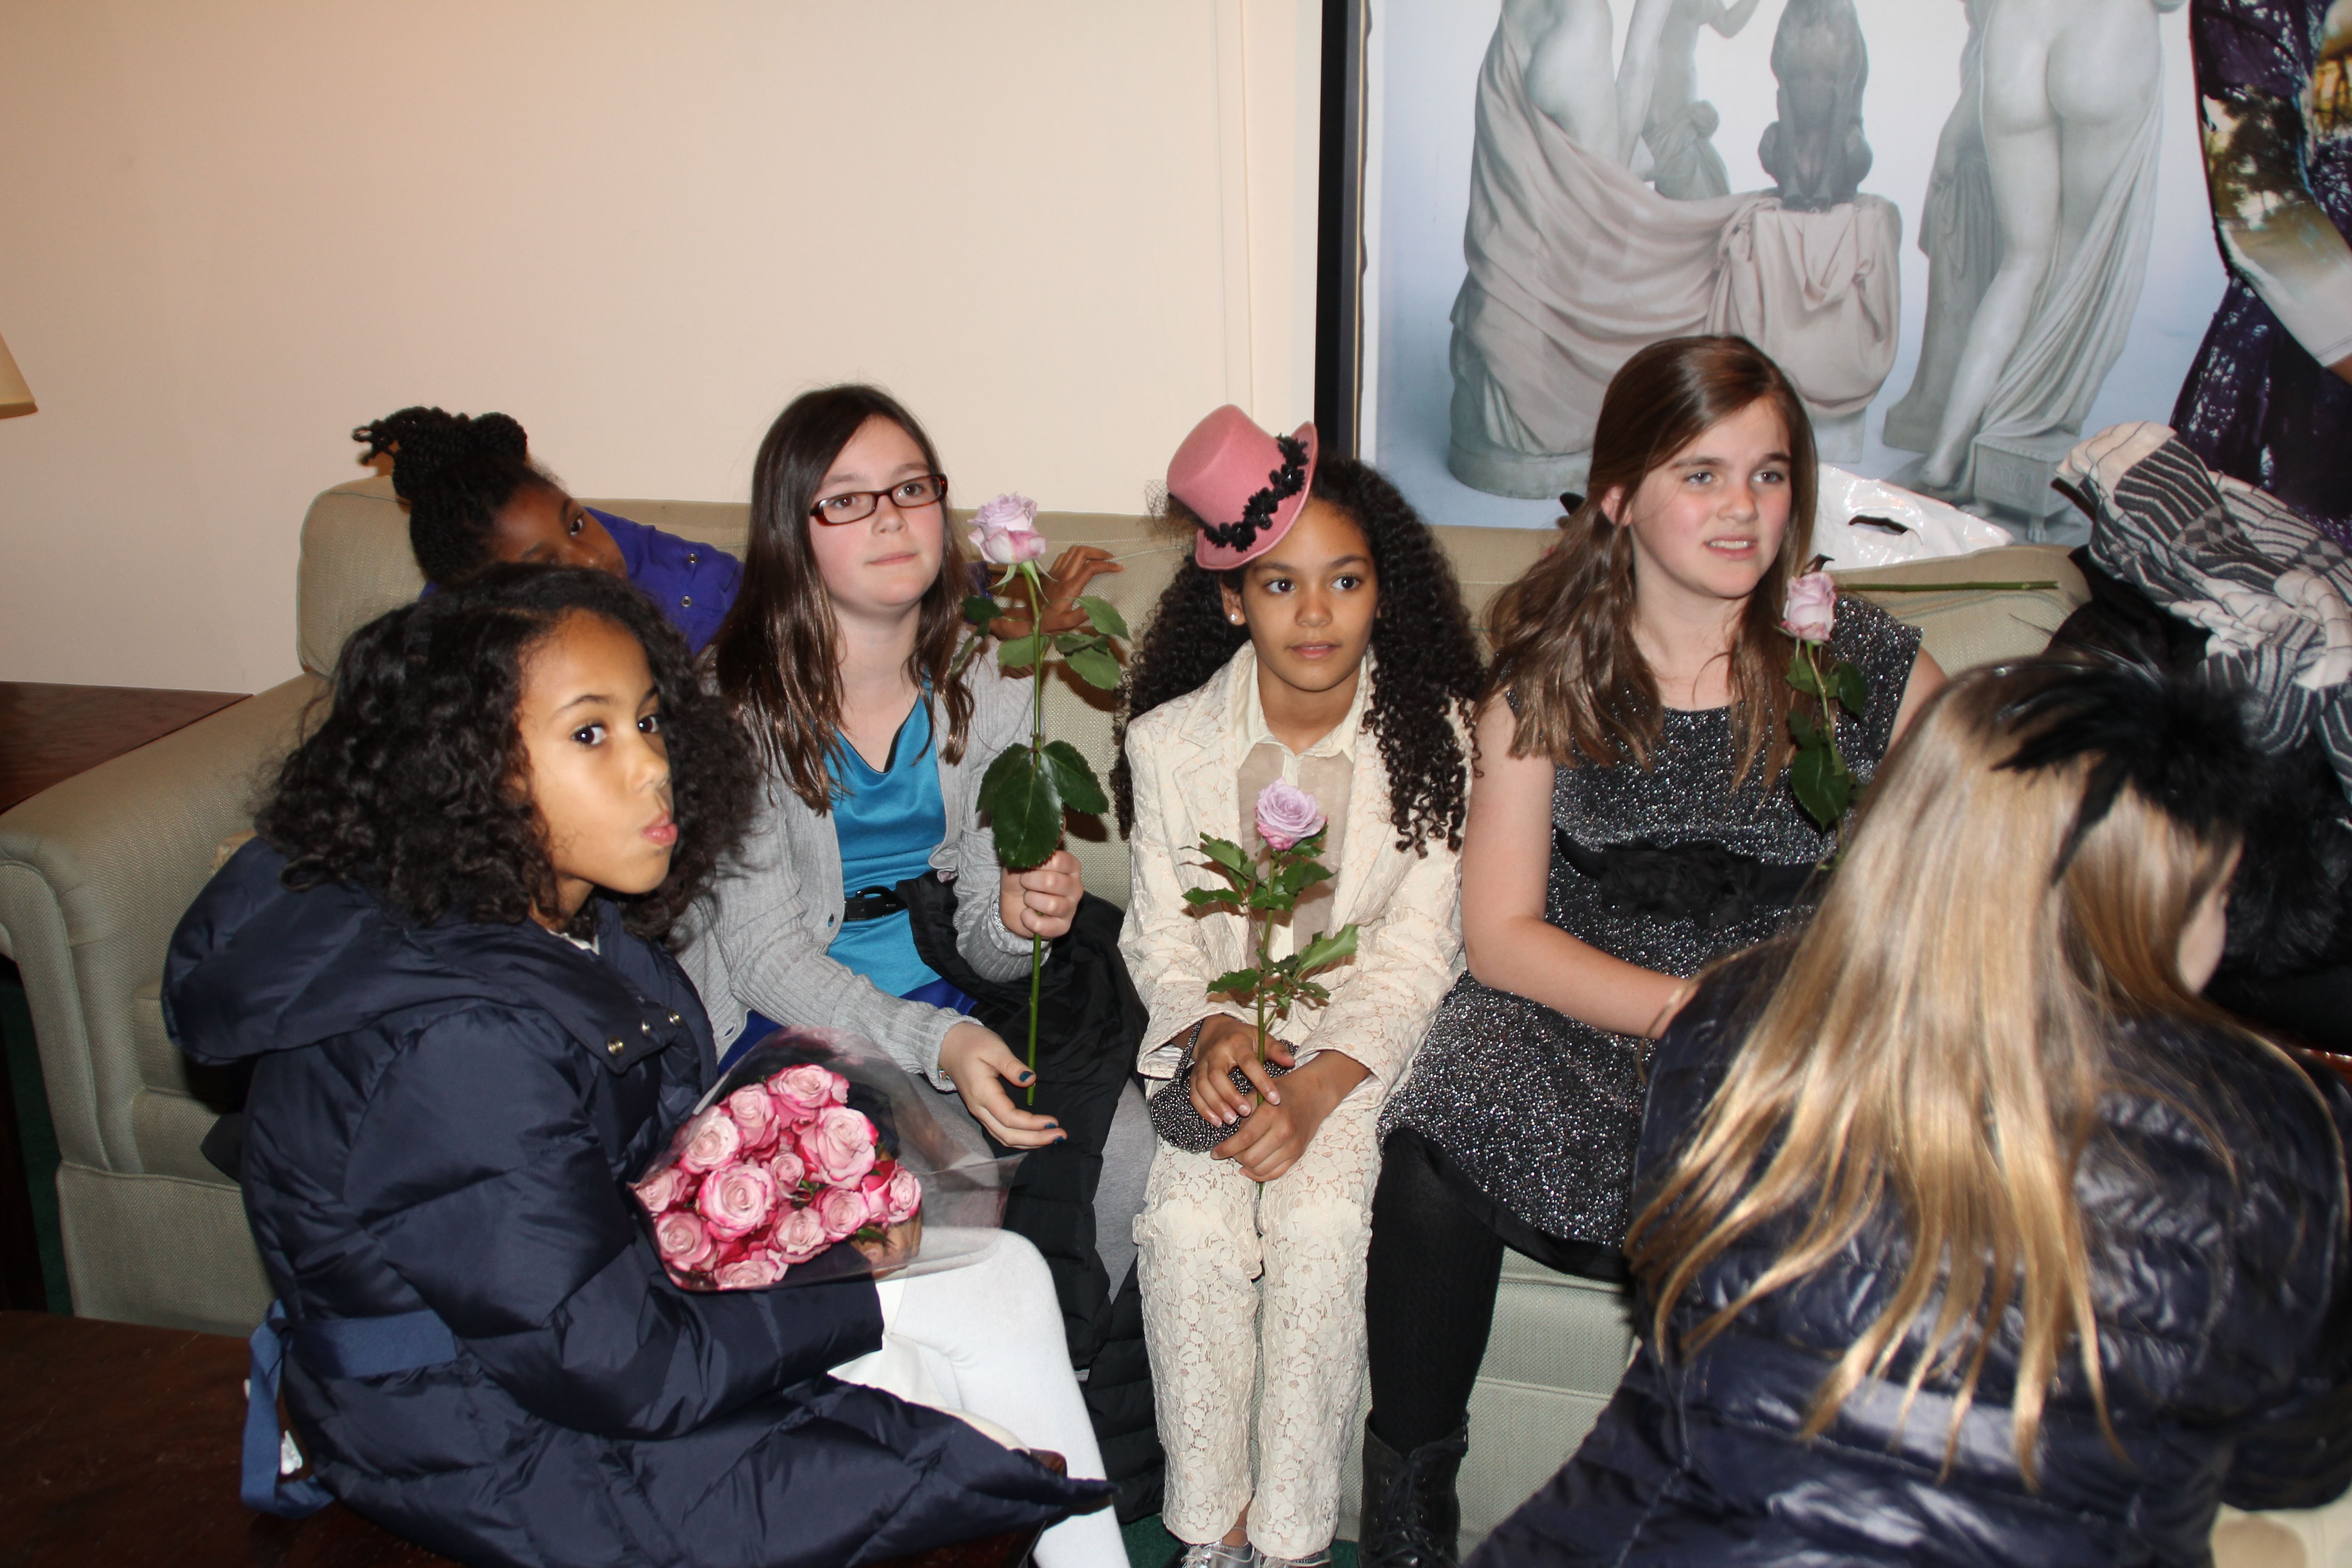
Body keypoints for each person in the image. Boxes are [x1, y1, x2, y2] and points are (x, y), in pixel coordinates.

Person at [162, 566, 1117, 1568]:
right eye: (590, 733)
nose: (651, 765)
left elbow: (601, 1221)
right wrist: (836, 1283)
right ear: (468, 767)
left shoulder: (568, 923)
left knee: (1003, 1277)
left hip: (576, 1341)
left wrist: (792, 1222)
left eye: (650, 721)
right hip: (487, 1432)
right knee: (957, 1438)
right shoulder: (453, 1040)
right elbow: (617, 1364)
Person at [1476, 657, 2352, 1565]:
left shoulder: (1732, 1023)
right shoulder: (2278, 1133)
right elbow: (2293, 1461)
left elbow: (1675, 1292)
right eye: (2218, 893)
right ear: (2156, 899)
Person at [1365, 335, 1945, 1561]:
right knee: (1434, 1130)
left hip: (1783, 1034)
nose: (1743, 508)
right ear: (1620, 495)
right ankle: (1409, 1514)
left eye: (1769, 474)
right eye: (1703, 474)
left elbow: (1972, 882)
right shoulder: (1545, 678)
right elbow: (1503, 936)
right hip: (1580, 1011)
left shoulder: (1868, 668)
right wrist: (1682, 1008)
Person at [682, 385, 1159, 1495]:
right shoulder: (737, 702)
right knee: (909, 1194)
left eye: (910, 488)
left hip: (953, 1002)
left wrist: (1022, 917)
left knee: (1131, 1148)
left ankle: (1043, 1418)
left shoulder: (981, 674)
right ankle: (941, 1465)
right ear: (793, 528)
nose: (891, 516)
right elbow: (763, 956)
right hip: (792, 1029)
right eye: (847, 499)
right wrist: (933, 1043)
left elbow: (986, 948)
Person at [1114, 406, 1487, 1568]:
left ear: (1384, 593)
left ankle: (1291, 1541)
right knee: (1187, 1223)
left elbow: (1419, 948)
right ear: (1232, 600)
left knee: (1323, 1221)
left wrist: (1323, 1082)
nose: (1315, 613)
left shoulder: (1441, 737)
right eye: (1280, 586)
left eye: (1344, 581)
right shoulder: (1167, 743)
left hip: (1352, 1057)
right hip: (1217, 1048)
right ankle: (1210, 1529)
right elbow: (1158, 931)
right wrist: (1211, 1025)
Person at [354, 405, 742, 653]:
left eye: (576, 525)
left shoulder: (684, 584)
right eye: (548, 564)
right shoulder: (458, 678)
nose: (592, 558)